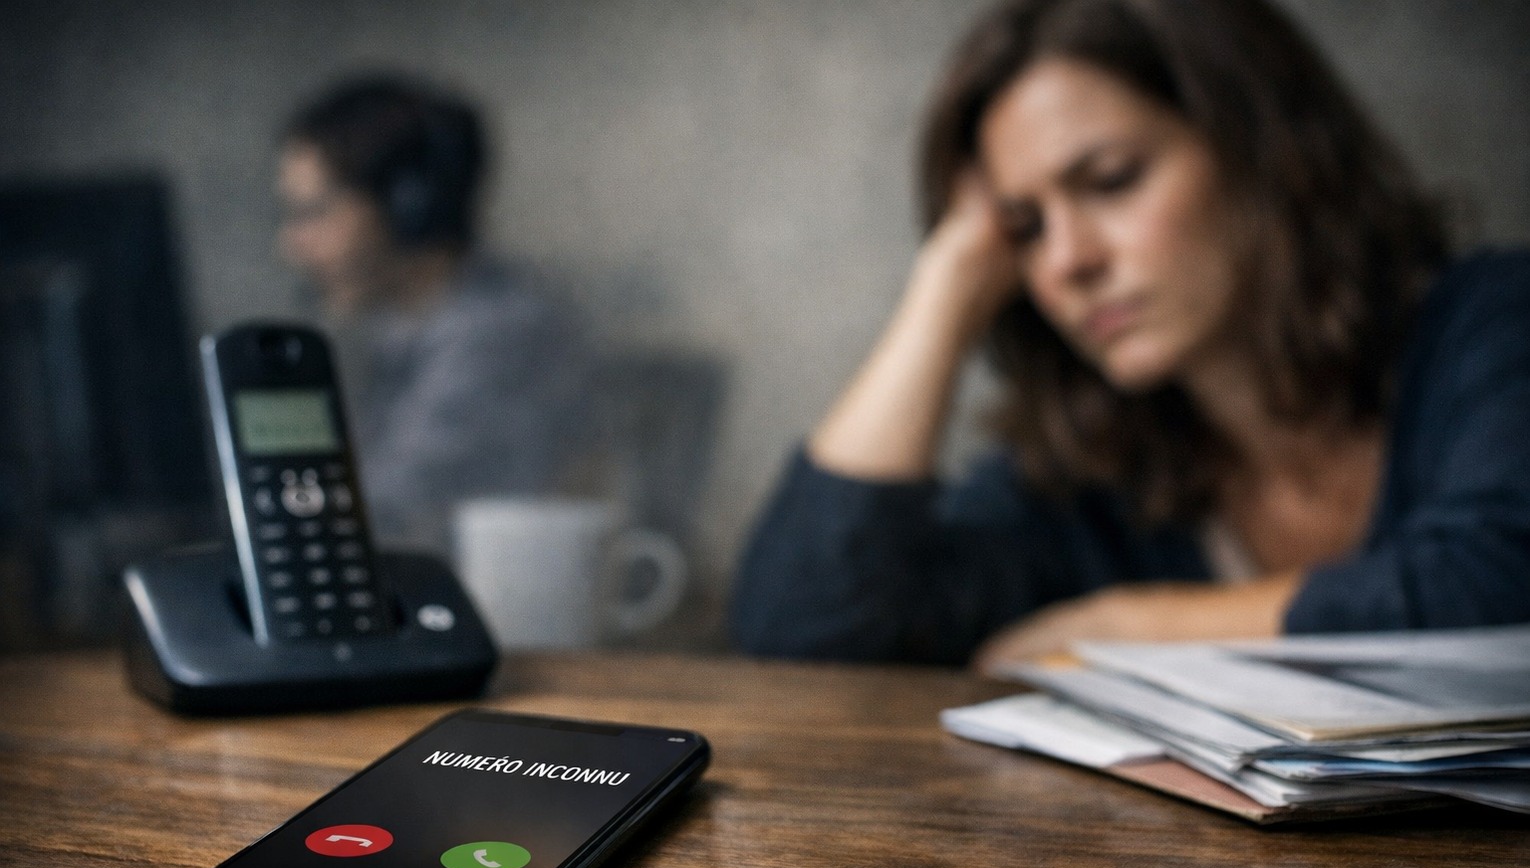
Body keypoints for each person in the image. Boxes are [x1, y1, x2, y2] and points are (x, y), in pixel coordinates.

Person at [730, 0, 1530, 670]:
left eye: (1112, 180)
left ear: (1266, 148)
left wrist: (1125, 629)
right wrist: (944, 287)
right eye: (1026, 226)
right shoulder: (1091, 475)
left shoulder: (1492, 321)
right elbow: (801, 635)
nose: (1068, 261)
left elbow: (1494, 585)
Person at [276, 74, 588, 553]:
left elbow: (381, 514)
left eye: (316, 211)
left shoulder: (502, 333)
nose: (294, 245)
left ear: (411, 206)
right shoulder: (395, 331)